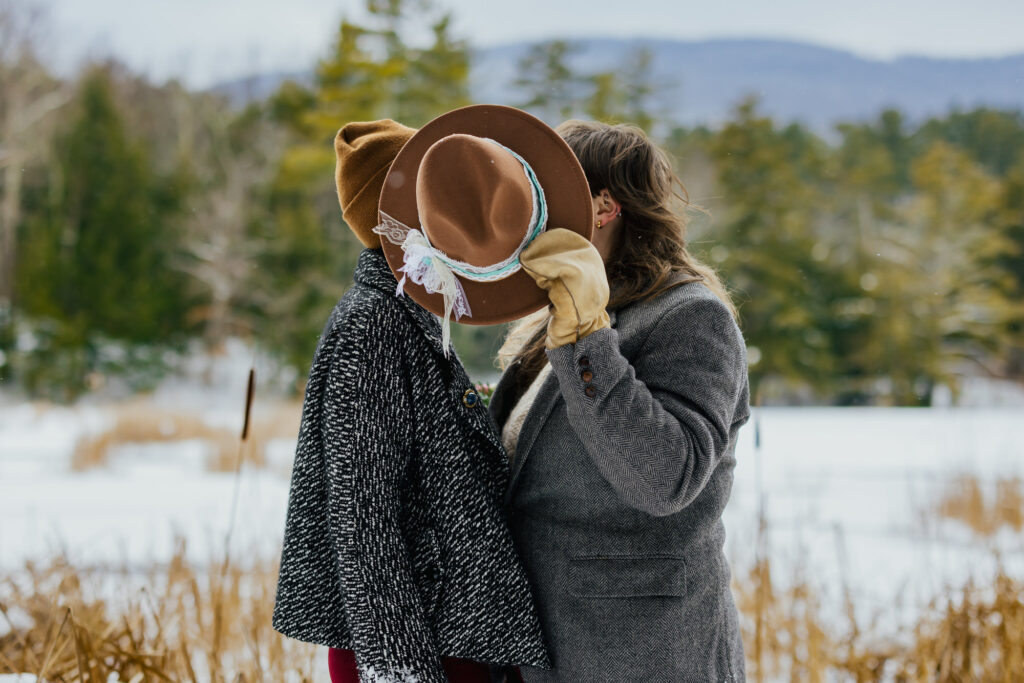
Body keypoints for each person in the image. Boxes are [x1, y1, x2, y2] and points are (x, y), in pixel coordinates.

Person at [272, 108, 593, 682]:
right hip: (418, 648)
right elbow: (363, 519)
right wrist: (404, 670)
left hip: (443, 634)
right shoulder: (372, 327)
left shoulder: (408, 319)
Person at [490, 120, 751, 682]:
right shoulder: (564, 314)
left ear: (603, 206)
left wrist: (586, 336)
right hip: (551, 649)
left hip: (645, 656)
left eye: (543, 195)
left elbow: (665, 480)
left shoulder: (691, 316)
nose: (526, 216)